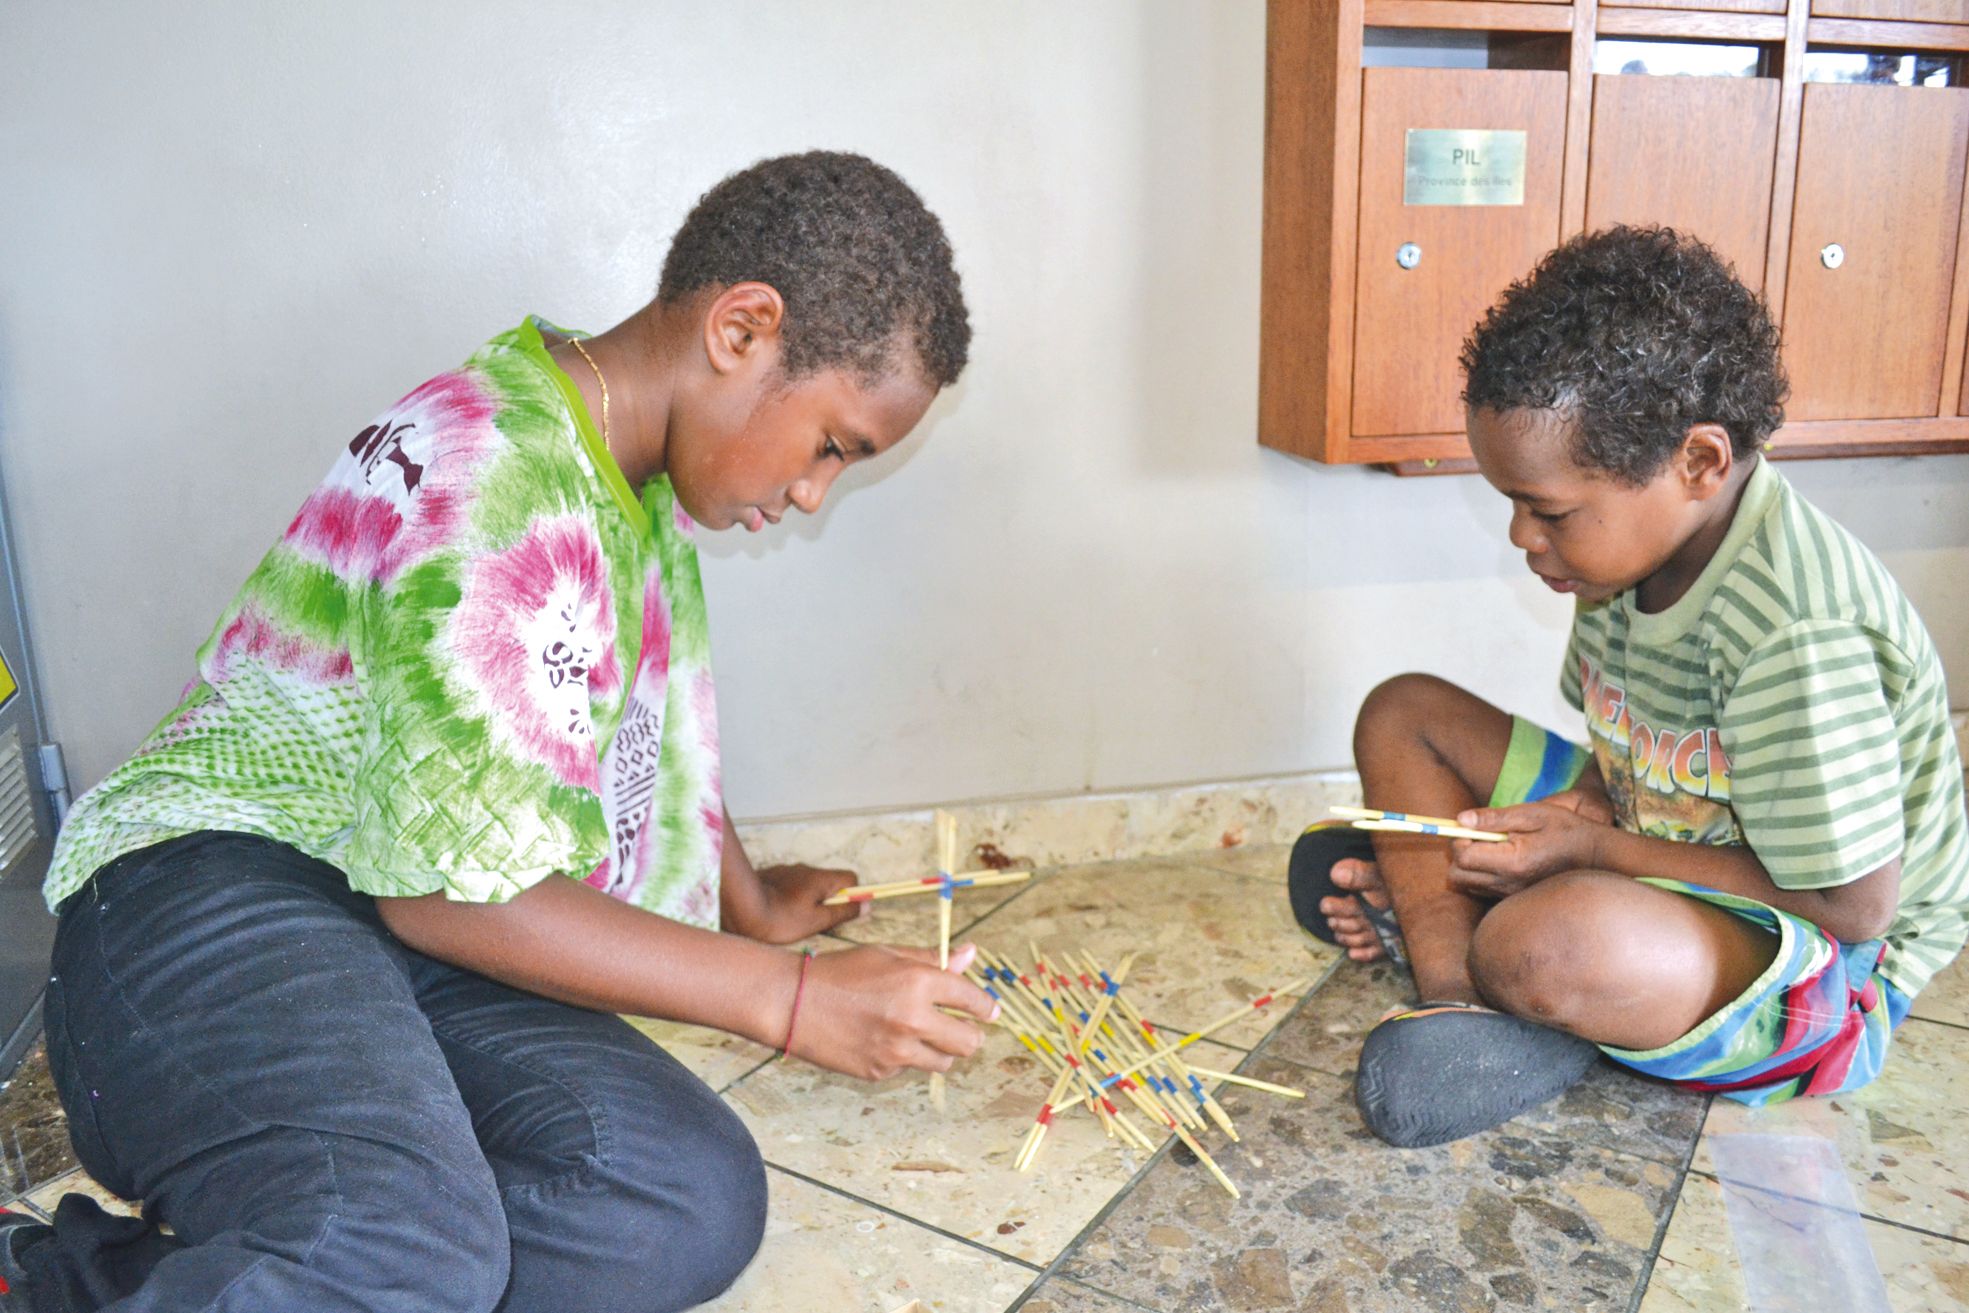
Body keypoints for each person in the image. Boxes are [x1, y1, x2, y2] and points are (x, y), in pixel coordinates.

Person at [0, 151, 997, 1313]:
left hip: (390, 917)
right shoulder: (495, 483)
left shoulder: (626, 465)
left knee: (678, 1199)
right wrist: (790, 996)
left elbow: (628, 713)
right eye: (833, 442)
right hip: (211, 897)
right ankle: (302, 1244)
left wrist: (751, 900)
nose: (817, 491)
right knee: (410, 1245)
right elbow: (449, 895)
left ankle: (159, 1270)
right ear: (743, 329)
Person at [1288, 226, 1969, 1149]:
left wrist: (1590, 854)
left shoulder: (1793, 632)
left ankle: (1482, 947)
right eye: (1515, 505)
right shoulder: (1615, 559)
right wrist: (1578, 817)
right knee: (1403, 714)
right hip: (1675, 836)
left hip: (1827, 971)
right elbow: (1627, 762)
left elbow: (1852, 906)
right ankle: (1459, 998)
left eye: (1551, 510)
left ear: (1697, 463)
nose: (1525, 538)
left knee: (1548, 943)